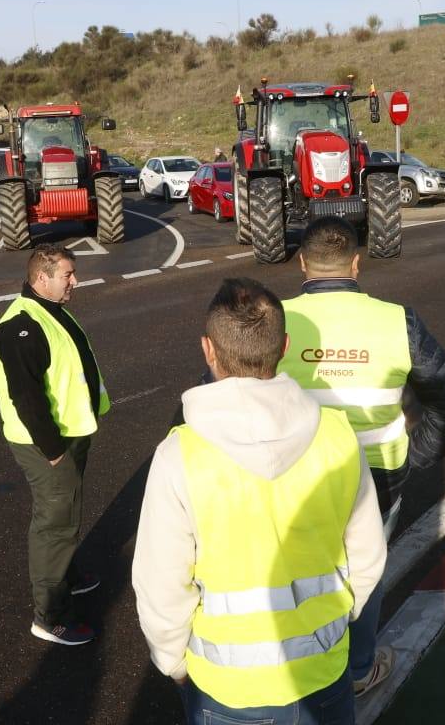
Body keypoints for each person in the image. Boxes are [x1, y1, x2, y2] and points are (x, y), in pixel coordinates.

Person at [133, 278, 386, 724]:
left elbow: (160, 587)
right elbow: (367, 559)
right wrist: (335, 627)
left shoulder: (179, 455)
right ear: (284, 345)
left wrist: (174, 663)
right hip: (323, 674)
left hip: (226, 690)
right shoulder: (337, 436)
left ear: (208, 350)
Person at [277, 216, 445, 695]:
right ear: (356, 264)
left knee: (292, 570)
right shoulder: (395, 321)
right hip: (378, 476)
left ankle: (292, 666)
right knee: (364, 574)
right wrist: (415, 457)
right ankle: (358, 669)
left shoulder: (274, 319)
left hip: (290, 477)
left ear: (302, 262)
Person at [0, 244, 109, 646]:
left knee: (67, 513)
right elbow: (26, 397)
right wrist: (54, 449)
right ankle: (49, 616)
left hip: (70, 432)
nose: (74, 282)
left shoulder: (50, 310)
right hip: (48, 443)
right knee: (54, 525)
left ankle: (68, 576)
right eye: (68, 275)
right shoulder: (20, 326)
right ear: (42, 279)